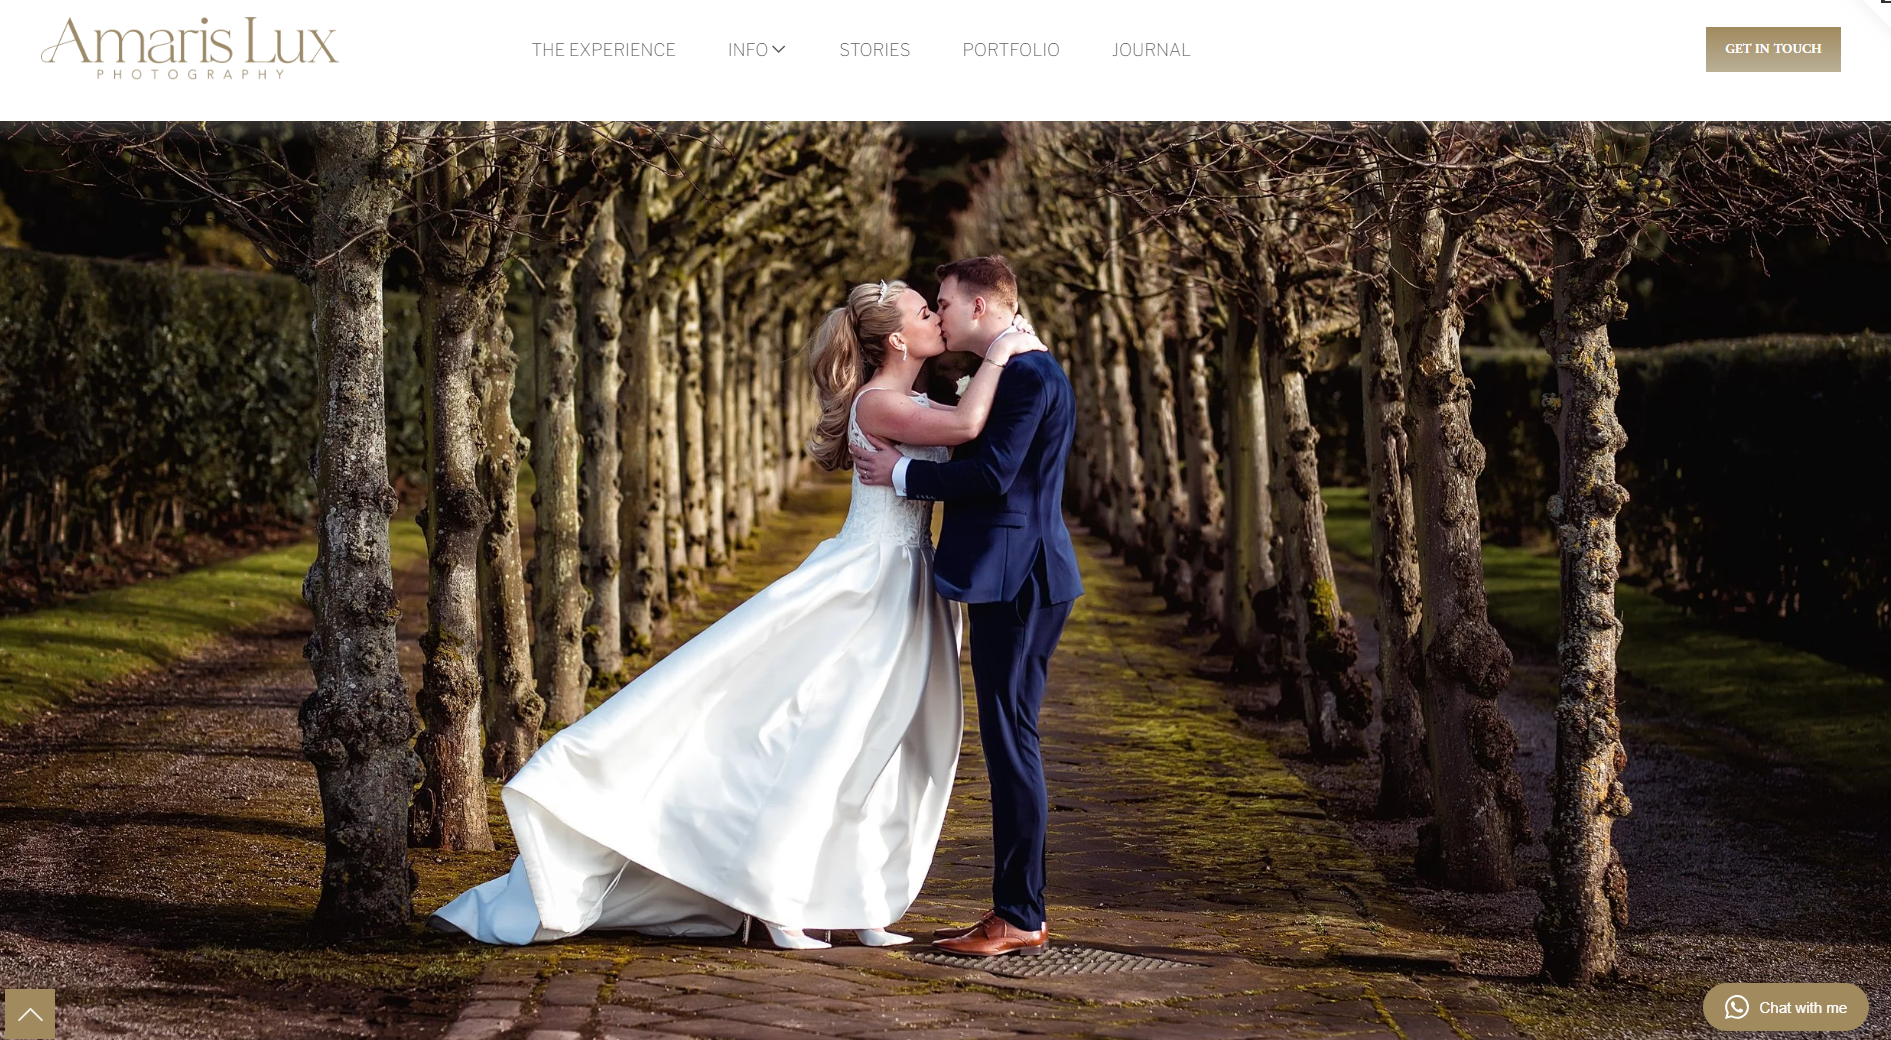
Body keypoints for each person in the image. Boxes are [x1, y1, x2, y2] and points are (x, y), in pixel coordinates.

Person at [428, 277, 1045, 950]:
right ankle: (776, 900)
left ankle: (855, 899)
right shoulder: (881, 403)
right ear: (897, 338)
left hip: (910, 586)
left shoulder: (917, 398)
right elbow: (965, 429)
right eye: (925, 312)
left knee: (884, 746)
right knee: (821, 739)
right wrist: (1004, 351)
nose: (937, 318)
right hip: (865, 586)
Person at [851, 255, 1084, 957]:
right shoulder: (1017, 370)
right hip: (1014, 575)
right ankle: (1021, 909)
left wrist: (897, 473)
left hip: (1017, 580)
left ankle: (1018, 914)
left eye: (945, 303)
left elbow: (990, 475)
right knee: (1011, 739)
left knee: (1012, 743)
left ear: (980, 307)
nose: (940, 315)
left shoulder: (1028, 374)